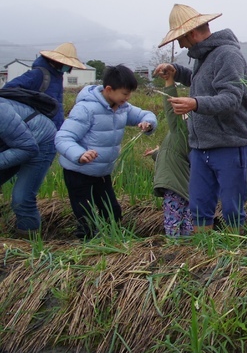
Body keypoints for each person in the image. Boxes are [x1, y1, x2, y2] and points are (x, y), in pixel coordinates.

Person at [154, 4, 247, 233]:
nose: (181, 45)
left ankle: (235, 250)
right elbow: (202, 81)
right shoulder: (203, 56)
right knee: (199, 207)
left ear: (191, 34)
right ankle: (203, 249)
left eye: (180, 39)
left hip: (229, 144)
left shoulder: (228, 55)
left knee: (232, 208)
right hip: (201, 147)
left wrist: (195, 104)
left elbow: (231, 98)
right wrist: (177, 71)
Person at [55, 65, 157, 239]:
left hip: (102, 172)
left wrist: (148, 123)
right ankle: (86, 245)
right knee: (85, 215)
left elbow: (144, 114)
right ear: (109, 89)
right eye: (125, 94)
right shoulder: (86, 109)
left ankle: (110, 241)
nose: (128, 98)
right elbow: (63, 137)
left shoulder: (122, 107)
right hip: (78, 172)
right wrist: (80, 154)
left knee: (112, 211)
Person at [143, 68, 193, 237]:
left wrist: (169, 81)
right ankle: (186, 245)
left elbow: (171, 110)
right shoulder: (186, 135)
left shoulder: (182, 130)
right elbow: (173, 152)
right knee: (187, 217)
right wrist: (156, 153)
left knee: (173, 218)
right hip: (183, 184)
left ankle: (174, 244)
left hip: (174, 184)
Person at [0, 94, 58, 237]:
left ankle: (28, 240)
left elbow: (28, 148)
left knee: (21, 199)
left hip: (40, 141)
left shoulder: (1, 112)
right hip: (13, 143)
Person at [5, 42, 88, 129]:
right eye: (66, 64)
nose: (67, 67)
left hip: (52, 126)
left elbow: (57, 106)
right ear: (57, 61)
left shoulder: (58, 76)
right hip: (36, 125)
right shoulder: (38, 74)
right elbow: (9, 89)